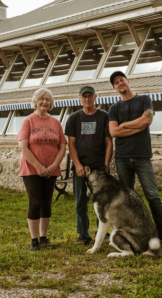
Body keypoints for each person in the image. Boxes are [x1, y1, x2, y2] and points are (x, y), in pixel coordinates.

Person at [107, 71, 162, 248]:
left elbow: (148, 120)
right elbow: (114, 132)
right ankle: (133, 235)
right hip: (122, 157)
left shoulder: (144, 100)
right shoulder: (113, 109)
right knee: (127, 200)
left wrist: (125, 125)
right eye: (116, 82)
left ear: (128, 81)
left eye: (122, 80)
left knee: (153, 196)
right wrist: (136, 125)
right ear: (114, 88)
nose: (120, 83)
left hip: (142, 156)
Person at [17, 88, 67, 251]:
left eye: (48, 99)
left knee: (46, 203)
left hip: (51, 169)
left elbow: (62, 147)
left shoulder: (56, 122)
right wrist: (39, 166)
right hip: (32, 169)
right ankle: (34, 241)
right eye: (42, 99)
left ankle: (44, 238)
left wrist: (53, 166)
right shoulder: (28, 121)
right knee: (35, 202)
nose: (45, 102)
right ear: (36, 101)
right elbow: (23, 147)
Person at [65, 85, 113, 246]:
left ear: (95, 97)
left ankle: (103, 233)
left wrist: (106, 164)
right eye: (84, 96)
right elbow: (71, 144)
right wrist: (77, 164)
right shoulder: (73, 118)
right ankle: (83, 235)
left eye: (90, 96)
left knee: (102, 201)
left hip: (99, 167)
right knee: (80, 202)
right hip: (81, 167)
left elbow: (109, 142)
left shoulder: (104, 116)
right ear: (79, 99)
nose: (87, 99)